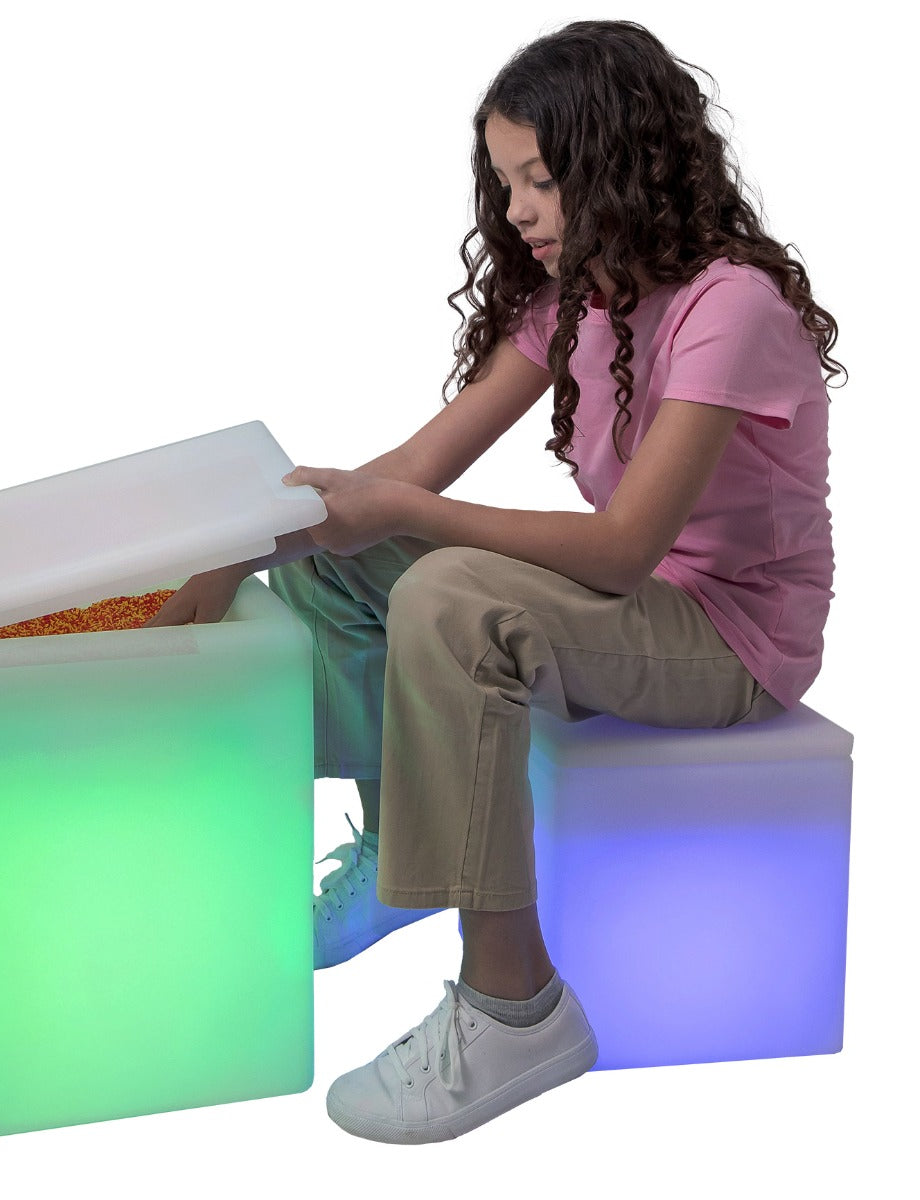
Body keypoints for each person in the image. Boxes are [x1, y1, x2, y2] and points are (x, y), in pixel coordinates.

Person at [145, 18, 842, 1143]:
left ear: (620, 162)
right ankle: (394, 855)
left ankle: (514, 1004)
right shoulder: (575, 302)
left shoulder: (731, 307)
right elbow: (403, 478)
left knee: (450, 594)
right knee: (351, 558)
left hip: (730, 638)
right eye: (505, 178)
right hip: (633, 612)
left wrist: (405, 517)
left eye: (542, 177)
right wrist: (243, 544)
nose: (517, 209)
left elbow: (621, 549)